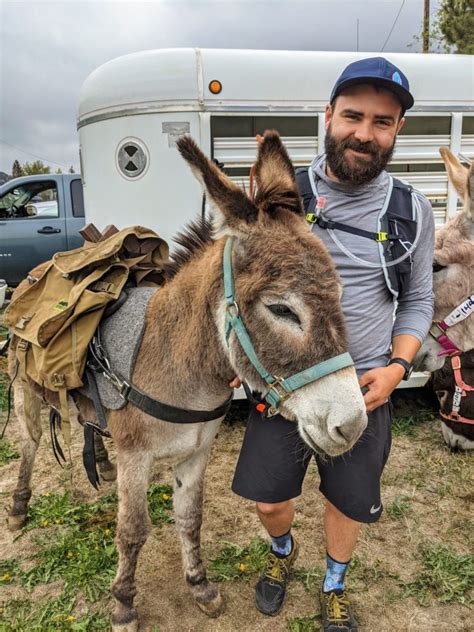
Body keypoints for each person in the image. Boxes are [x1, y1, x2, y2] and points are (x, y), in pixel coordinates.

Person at [230, 57, 435, 631]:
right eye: (352, 116)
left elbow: (418, 300)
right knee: (269, 500)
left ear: (397, 131)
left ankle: (334, 582)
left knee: (346, 503)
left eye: (382, 121)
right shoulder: (281, 197)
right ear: (328, 116)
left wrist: (398, 367)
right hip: (286, 385)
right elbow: (238, 287)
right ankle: (281, 552)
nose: (364, 133)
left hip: (364, 388)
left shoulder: (410, 211)